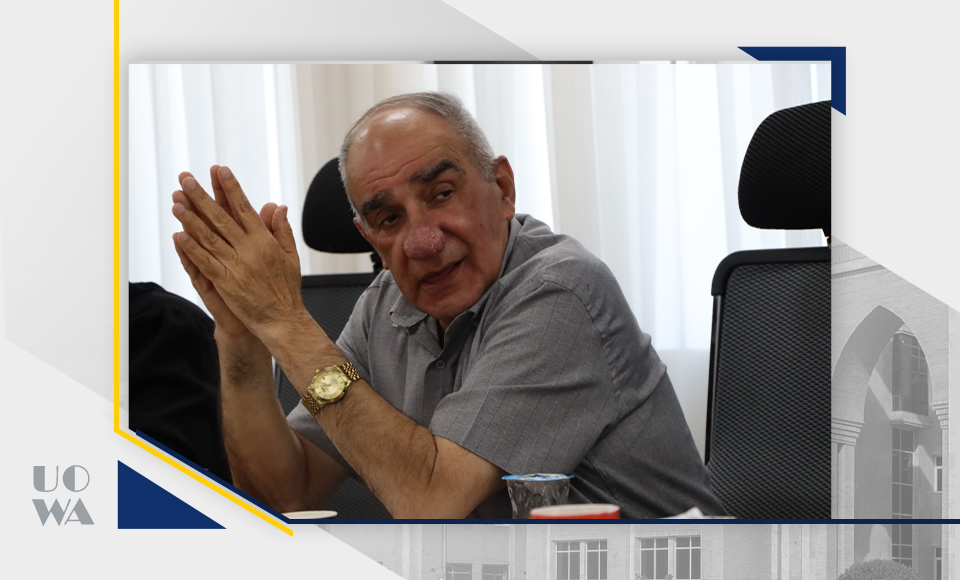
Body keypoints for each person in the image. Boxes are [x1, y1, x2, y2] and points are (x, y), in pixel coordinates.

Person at [170, 92, 724, 518]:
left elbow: (431, 504)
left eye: (441, 194)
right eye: (389, 219)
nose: (422, 241)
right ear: (369, 237)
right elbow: (285, 494)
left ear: (502, 188)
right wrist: (241, 335)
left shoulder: (561, 289)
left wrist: (285, 321)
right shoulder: (383, 306)